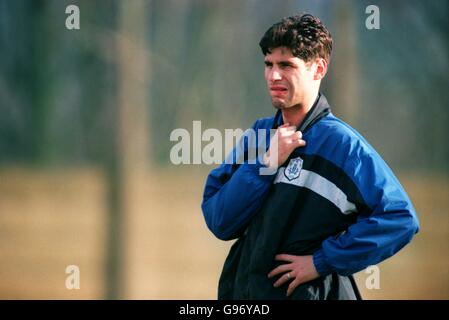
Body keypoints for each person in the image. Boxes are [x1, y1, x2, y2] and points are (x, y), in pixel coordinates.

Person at [201, 13, 419, 300]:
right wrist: (266, 164)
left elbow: (400, 218)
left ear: (318, 69)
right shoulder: (259, 136)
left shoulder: (342, 145)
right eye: (268, 64)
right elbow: (220, 220)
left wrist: (321, 261)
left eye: (286, 65)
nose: (273, 75)